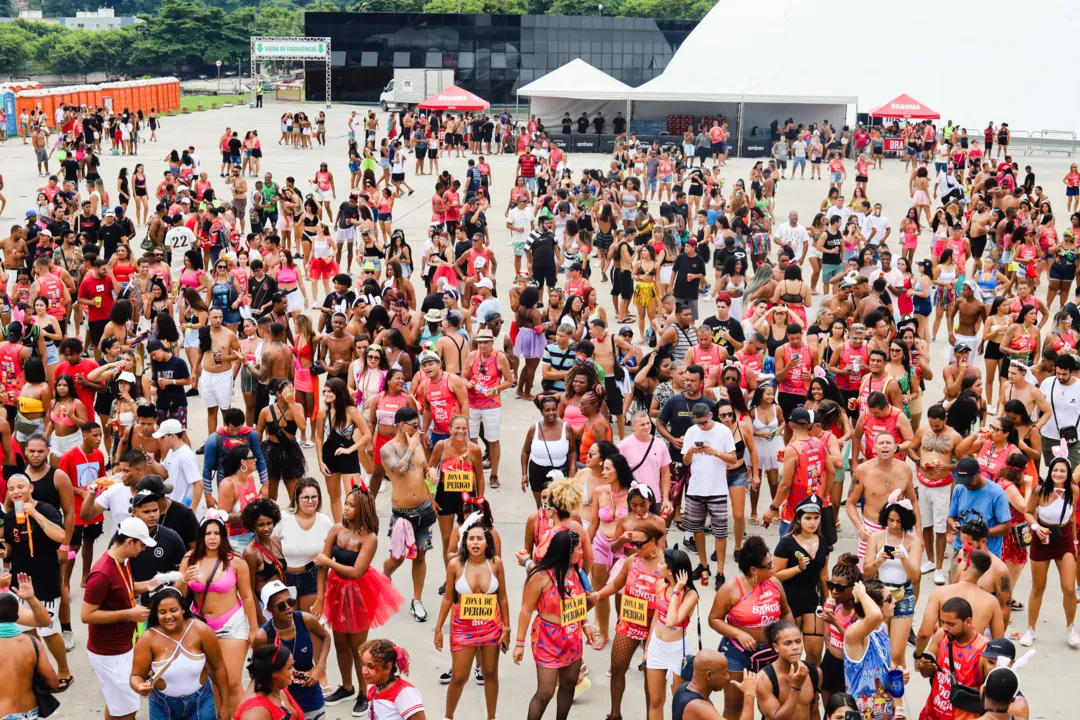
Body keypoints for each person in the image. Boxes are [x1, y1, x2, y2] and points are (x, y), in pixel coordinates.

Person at [315, 486, 402, 714]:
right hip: (336, 591)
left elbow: (355, 572)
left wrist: (328, 560)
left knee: (358, 647)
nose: (346, 508)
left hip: (359, 592)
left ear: (362, 509)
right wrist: (318, 598)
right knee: (340, 642)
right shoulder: (336, 530)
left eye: (352, 505)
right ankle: (347, 687)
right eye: (346, 503)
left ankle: (364, 692)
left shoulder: (369, 538)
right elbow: (321, 567)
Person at [176, 512, 259, 718]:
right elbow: (178, 595)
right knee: (212, 679)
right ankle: (221, 716)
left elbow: (248, 596)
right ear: (201, 535)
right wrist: (184, 578)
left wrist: (254, 629)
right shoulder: (190, 558)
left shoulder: (236, 561)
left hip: (232, 624)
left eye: (217, 533)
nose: (212, 537)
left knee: (231, 682)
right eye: (208, 533)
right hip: (201, 625)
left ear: (223, 536)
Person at [433, 510, 510, 720]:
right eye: (471, 538)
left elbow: (502, 597)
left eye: (479, 538)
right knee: (458, 676)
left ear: (487, 541)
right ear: (464, 541)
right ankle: (448, 717)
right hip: (463, 628)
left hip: (491, 627)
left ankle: (491, 717)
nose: (475, 542)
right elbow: (448, 598)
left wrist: (507, 628)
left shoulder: (496, 564)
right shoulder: (455, 565)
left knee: (491, 673)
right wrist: (439, 628)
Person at [81, 517, 160, 720]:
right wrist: (128, 614)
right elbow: (86, 615)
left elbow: (123, 588)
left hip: (122, 646)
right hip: (109, 652)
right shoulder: (101, 573)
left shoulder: (122, 561)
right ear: (129, 542)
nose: (142, 549)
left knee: (117, 703)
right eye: (141, 545)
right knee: (127, 709)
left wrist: (146, 585)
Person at [512, 529, 595, 720]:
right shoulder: (540, 577)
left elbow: (577, 601)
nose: (581, 553)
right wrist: (519, 643)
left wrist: (586, 624)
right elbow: (525, 610)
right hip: (547, 638)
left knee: (569, 684)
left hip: (573, 636)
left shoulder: (574, 570)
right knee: (545, 692)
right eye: (578, 549)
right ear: (566, 551)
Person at [708, 535, 793, 720]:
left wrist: (790, 639)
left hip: (771, 652)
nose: (773, 568)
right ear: (754, 569)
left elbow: (786, 612)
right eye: (768, 565)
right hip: (738, 655)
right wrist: (738, 633)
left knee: (772, 706)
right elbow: (714, 619)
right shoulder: (731, 588)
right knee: (734, 706)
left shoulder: (775, 584)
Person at [128, 586, 229, 720]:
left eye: (173, 610)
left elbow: (219, 668)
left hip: (202, 702)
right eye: (162, 612)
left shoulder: (201, 631)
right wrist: (139, 686)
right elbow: (136, 676)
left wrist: (225, 706)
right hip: (162, 706)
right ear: (156, 614)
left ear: (183, 609)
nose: (168, 616)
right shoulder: (148, 639)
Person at [382, 406, 438, 623]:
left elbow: (423, 469)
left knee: (421, 555)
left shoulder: (419, 442)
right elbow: (400, 470)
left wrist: (430, 473)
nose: (419, 430)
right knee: (397, 558)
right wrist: (412, 447)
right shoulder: (388, 449)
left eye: (419, 426)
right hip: (402, 514)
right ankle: (382, 580)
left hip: (423, 509)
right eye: (415, 426)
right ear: (401, 425)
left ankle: (417, 600)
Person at [1019, 454, 1078, 647]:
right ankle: (1031, 629)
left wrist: (1075, 541)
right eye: (1055, 470)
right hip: (1041, 538)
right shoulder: (1039, 491)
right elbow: (1027, 512)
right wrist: (1037, 528)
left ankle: (1071, 628)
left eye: (1062, 470)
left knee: (1069, 588)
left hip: (1065, 540)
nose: (1058, 474)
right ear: (1050, 471)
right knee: (1038, 587)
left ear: (1068, 473)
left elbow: (1072, 518)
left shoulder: (1074, 490)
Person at [253, 580, 332, 720]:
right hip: (281, 699)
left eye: (290, 601)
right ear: (270, 609)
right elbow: (256, 671)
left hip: (310, 693)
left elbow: (326, 637)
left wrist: (319, 667)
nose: (288, 607)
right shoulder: (263, 636)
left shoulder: (305, 619)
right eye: (281, 606)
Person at [861, 492, 923, 667]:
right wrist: (879, 560)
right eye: (891, 520)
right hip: (880, 594)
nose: (895, 525)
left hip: (903, 594)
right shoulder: (876, 538)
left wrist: (903, 558)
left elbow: (915, 575)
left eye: (899, 521)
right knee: (879, 647)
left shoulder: (913, 542)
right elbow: (866, 570)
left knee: (896, 653)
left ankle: (898, 689)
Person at [682, 402, 738, 586]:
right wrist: (690, 451)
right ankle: (703, 565)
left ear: (711, 415)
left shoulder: (723, 431)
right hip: (695, 489)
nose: (701, 426)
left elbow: (733, 458)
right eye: (698, 423)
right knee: (696, 529)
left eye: (704, 423)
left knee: (719, 532)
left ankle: (720, 571)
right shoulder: (691, 432)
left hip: (717, 489)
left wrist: (716, 453)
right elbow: (685, 461)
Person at [773, 495, 831, 666]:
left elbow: (824, 575)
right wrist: (798, 568)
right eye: (807, 518)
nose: (812, 522)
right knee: (791, 656)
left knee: (815, 653)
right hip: (790, 601)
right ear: (798, 519)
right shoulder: (786, 543)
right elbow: (775, 574)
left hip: (813, 601)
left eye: (816, 518)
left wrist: (829, 601)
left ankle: (812, 688)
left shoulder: (823, 542)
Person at [644, 547, 700, 720]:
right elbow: (656, 618)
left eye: (661, 563)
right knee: (655, 701)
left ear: (671, 570)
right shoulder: (660, 584)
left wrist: (676, 590)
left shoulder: (690, 595)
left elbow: (671, 621)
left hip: (678, 651)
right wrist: (647, 647)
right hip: (657, 646)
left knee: (679, 703)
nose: (658, 565)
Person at [916, 597, 988, 720]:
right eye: (943, 622)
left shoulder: (983, 650)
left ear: (968, 622)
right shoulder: (941, 636)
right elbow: (926, 674)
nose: (945, 628)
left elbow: (991, 697)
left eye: (951, 624)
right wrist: (924, 666)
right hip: (932, 713)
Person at [843, 580, 902, 720]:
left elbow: (885, 661)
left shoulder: (882, 628)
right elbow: (875, 615)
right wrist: (861, 593)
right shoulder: (854, 634)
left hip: (886, 712)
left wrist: (898, 670)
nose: (894, 601)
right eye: (888, 599)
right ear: (875, 605)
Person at [755, 620, 821, 720]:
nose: (795, 647)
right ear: (776, 647)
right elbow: (776, 718)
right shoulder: (763, 679)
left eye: (798, 641)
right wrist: (796, 687)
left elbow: (814, 711)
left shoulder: (814, 672)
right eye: (788, 643)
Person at [672, 649, 758, 720]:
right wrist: (749, 694)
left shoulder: (684, 688)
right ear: (708, 675)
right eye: (724, 674)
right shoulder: (699, 706)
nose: (728, 677)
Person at [359, 639, 427, 720]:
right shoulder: (373, 691)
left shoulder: (404, 693)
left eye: (371, 666)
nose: (364, 671)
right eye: (363, 664)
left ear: (388, 667)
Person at [234, 644, 304, 720]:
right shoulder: (255, 713)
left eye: (292, 664)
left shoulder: (277, 685)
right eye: (289, 667)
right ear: (274, 673)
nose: (294, 671)